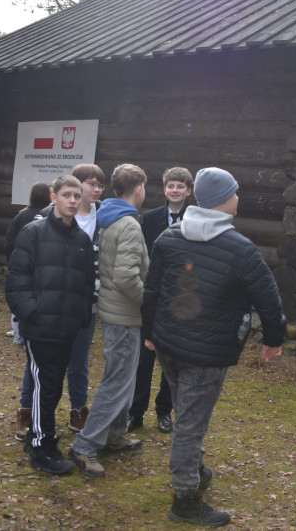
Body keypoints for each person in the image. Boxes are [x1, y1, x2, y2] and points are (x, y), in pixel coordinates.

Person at [142, 167, 286, 526]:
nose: (239, 198)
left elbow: (152, 292)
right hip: (205, 354)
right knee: (190, 425)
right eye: (236, 192)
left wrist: (149, 332)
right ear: (224, 199)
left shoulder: (169, 237)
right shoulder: (241, 249)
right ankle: (186, 499)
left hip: (168, 344)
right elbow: (268, 300)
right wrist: (273, 340)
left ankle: (194, 469)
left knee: (186, 414)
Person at [6, 175, 95, 475]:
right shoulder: (33, 233)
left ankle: (37, 436)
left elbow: (85, 285)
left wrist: (80, 317)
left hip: (67, 328)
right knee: (45, 385)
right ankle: (42, 447)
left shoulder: (82, 239)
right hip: (40, 327)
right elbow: (17, 280)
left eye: (77, 195)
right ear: (53, 197)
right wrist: (31, 312)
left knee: (54, 385)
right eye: (67, 195)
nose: (72, 200)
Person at [69, 164, 149, 478]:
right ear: (138, 188)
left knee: (123, 377)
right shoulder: (127, 224)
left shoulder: (110, 216)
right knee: (117, 381)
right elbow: (127, 278)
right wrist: (150, 302)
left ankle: (114, 434)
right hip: (124, 313)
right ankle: (85, 445)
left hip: (118, 312)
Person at [17, 164, 104, 435]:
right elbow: (23, 270)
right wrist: (32, 308)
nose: (95, 189)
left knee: (78, 362)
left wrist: (90, 301)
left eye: (99, 184)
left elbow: (93, 269)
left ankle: (78, 410)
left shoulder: (101, 221)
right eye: (90, 183)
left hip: (80, 305)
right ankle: (28, 412)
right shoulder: (40, 221)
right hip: (47, 307)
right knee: (40, 366)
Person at [129, 166, 193, 434]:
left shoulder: (196, 218)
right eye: (170, 186)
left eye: (180, 186)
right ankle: (136, 411)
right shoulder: (151, 217)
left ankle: (164, 410)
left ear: (188, 191)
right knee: (144, 356)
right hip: (153, 295)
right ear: (164, 188)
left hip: (183, 296)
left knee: (173, 358)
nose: (175, 190)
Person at [5, 182, 51, 262]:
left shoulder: (21, 216)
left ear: (32, 194)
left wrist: (12, 262)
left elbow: (10, 241)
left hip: (23, 261)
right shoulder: (53, 215)